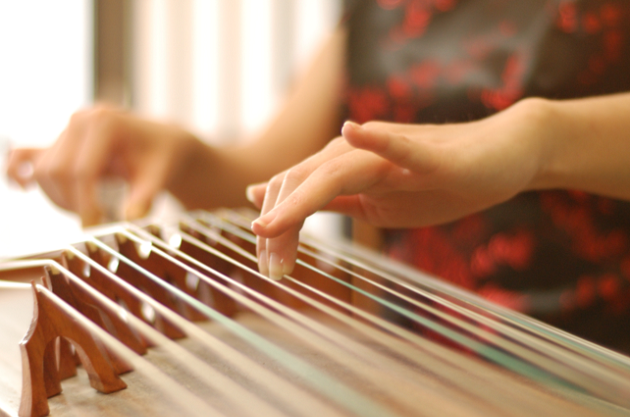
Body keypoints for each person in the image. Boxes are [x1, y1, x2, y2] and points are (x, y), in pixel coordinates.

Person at [7, 0, 630, 349]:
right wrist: (184, 155)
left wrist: (541, 135)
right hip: (412, 376)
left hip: (597, 370)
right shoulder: (379, 12)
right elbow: (271, 179)